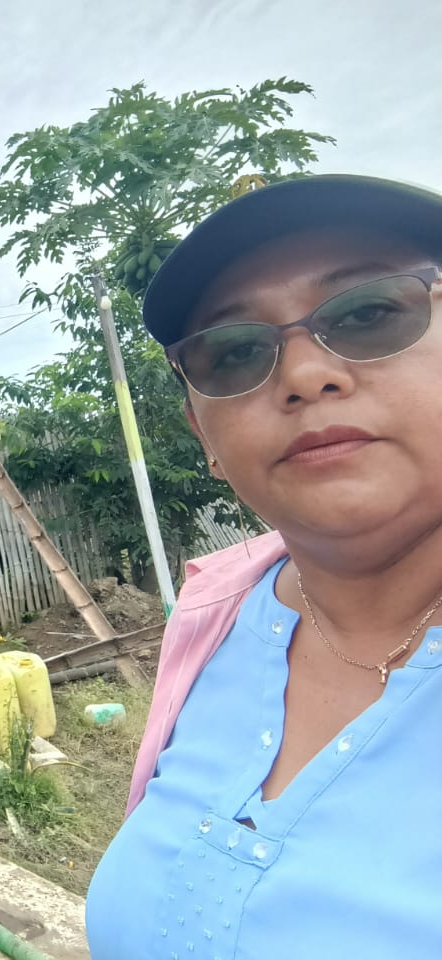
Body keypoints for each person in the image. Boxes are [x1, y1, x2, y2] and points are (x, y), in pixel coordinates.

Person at [85, 175, 442, 959]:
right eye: (236, 352)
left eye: (369, 313)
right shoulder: (215, 614)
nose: (305, 375)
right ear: (202, 434)